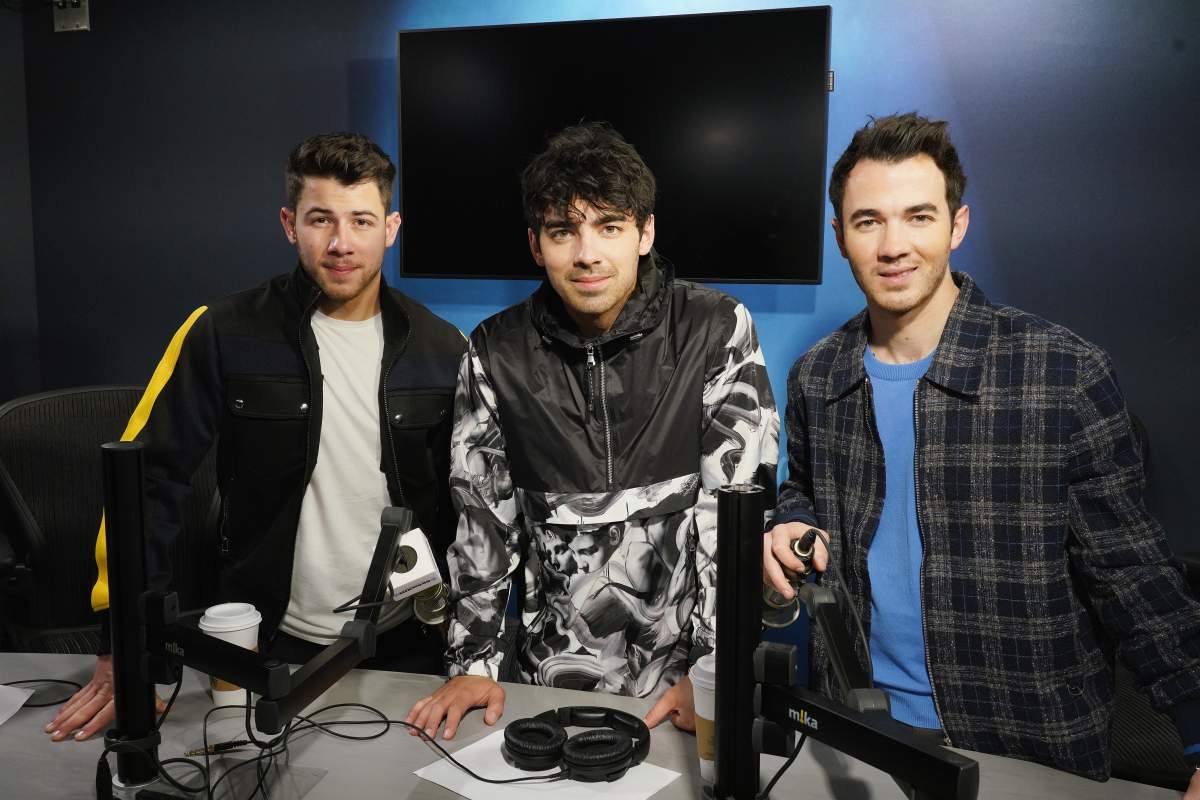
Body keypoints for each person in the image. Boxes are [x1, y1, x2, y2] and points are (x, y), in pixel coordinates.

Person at [763, 112, 1200, 790]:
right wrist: (785, 521)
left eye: (919, 216)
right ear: (840, 236)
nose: (893, 245)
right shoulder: (816, 377)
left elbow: (1134, 576)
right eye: (869, 220)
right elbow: (806, 495)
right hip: (861, 735)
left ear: (956, 226)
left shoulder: (1063, 373)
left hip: (1023, 753)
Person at [44, 132, 466, 743]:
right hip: (263, 641)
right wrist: (126, 651)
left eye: (361, 221)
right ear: (290, 224)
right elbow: (143, 480)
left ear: (390, 227)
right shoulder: (222, 331)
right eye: (321, 219)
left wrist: (469, 648)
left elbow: (473, 515)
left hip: (405, 643)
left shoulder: (442, 347)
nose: (342, 243)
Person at [405, 122, 779, 740]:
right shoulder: (493, 351)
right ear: (535, 243)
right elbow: (482, 525)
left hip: (686, 688)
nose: (587, 254)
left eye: (609, 227)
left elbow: (734, 523)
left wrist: (716, 675)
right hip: (543, 690)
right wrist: (473, 665)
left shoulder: (717, 329)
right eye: (563, 232)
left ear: (645, 232)